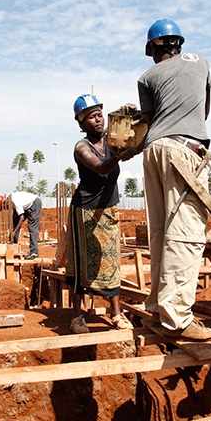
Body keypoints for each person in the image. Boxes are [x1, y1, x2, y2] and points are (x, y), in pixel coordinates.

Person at [137, 19, 211, 341]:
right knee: (185, 234)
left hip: (153, 150)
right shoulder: (201, 62)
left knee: (160, 232)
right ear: (178, 44)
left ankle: (159, 309)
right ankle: (178, 319)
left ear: (153, 49)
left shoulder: (146, 77)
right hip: (184, 150)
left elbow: (148, 121)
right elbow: (205, 113)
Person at [65, 94, 135, 334]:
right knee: (81, 264)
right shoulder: (81, 147)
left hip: (108, 209)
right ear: (81, 122)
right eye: (92, 117)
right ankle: (77, 317)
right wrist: (118, 155)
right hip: (84, 211)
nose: (98, 120)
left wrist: (131, 118)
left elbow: (131, 133)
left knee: (111, 261)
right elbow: (100, 168)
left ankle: (117, 315)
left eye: (100, 115)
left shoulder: (110, 140)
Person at [8, 191, 42, 260]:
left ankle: (34, 252)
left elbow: (22, 217)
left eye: (6, 207)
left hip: (34, 203)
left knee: (32, 227)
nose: (6, 209)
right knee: (15, 222)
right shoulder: (10, 198)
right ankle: (14, 245)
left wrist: (14, 231)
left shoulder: (15, 202)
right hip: (25, 206)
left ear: (6, 202)